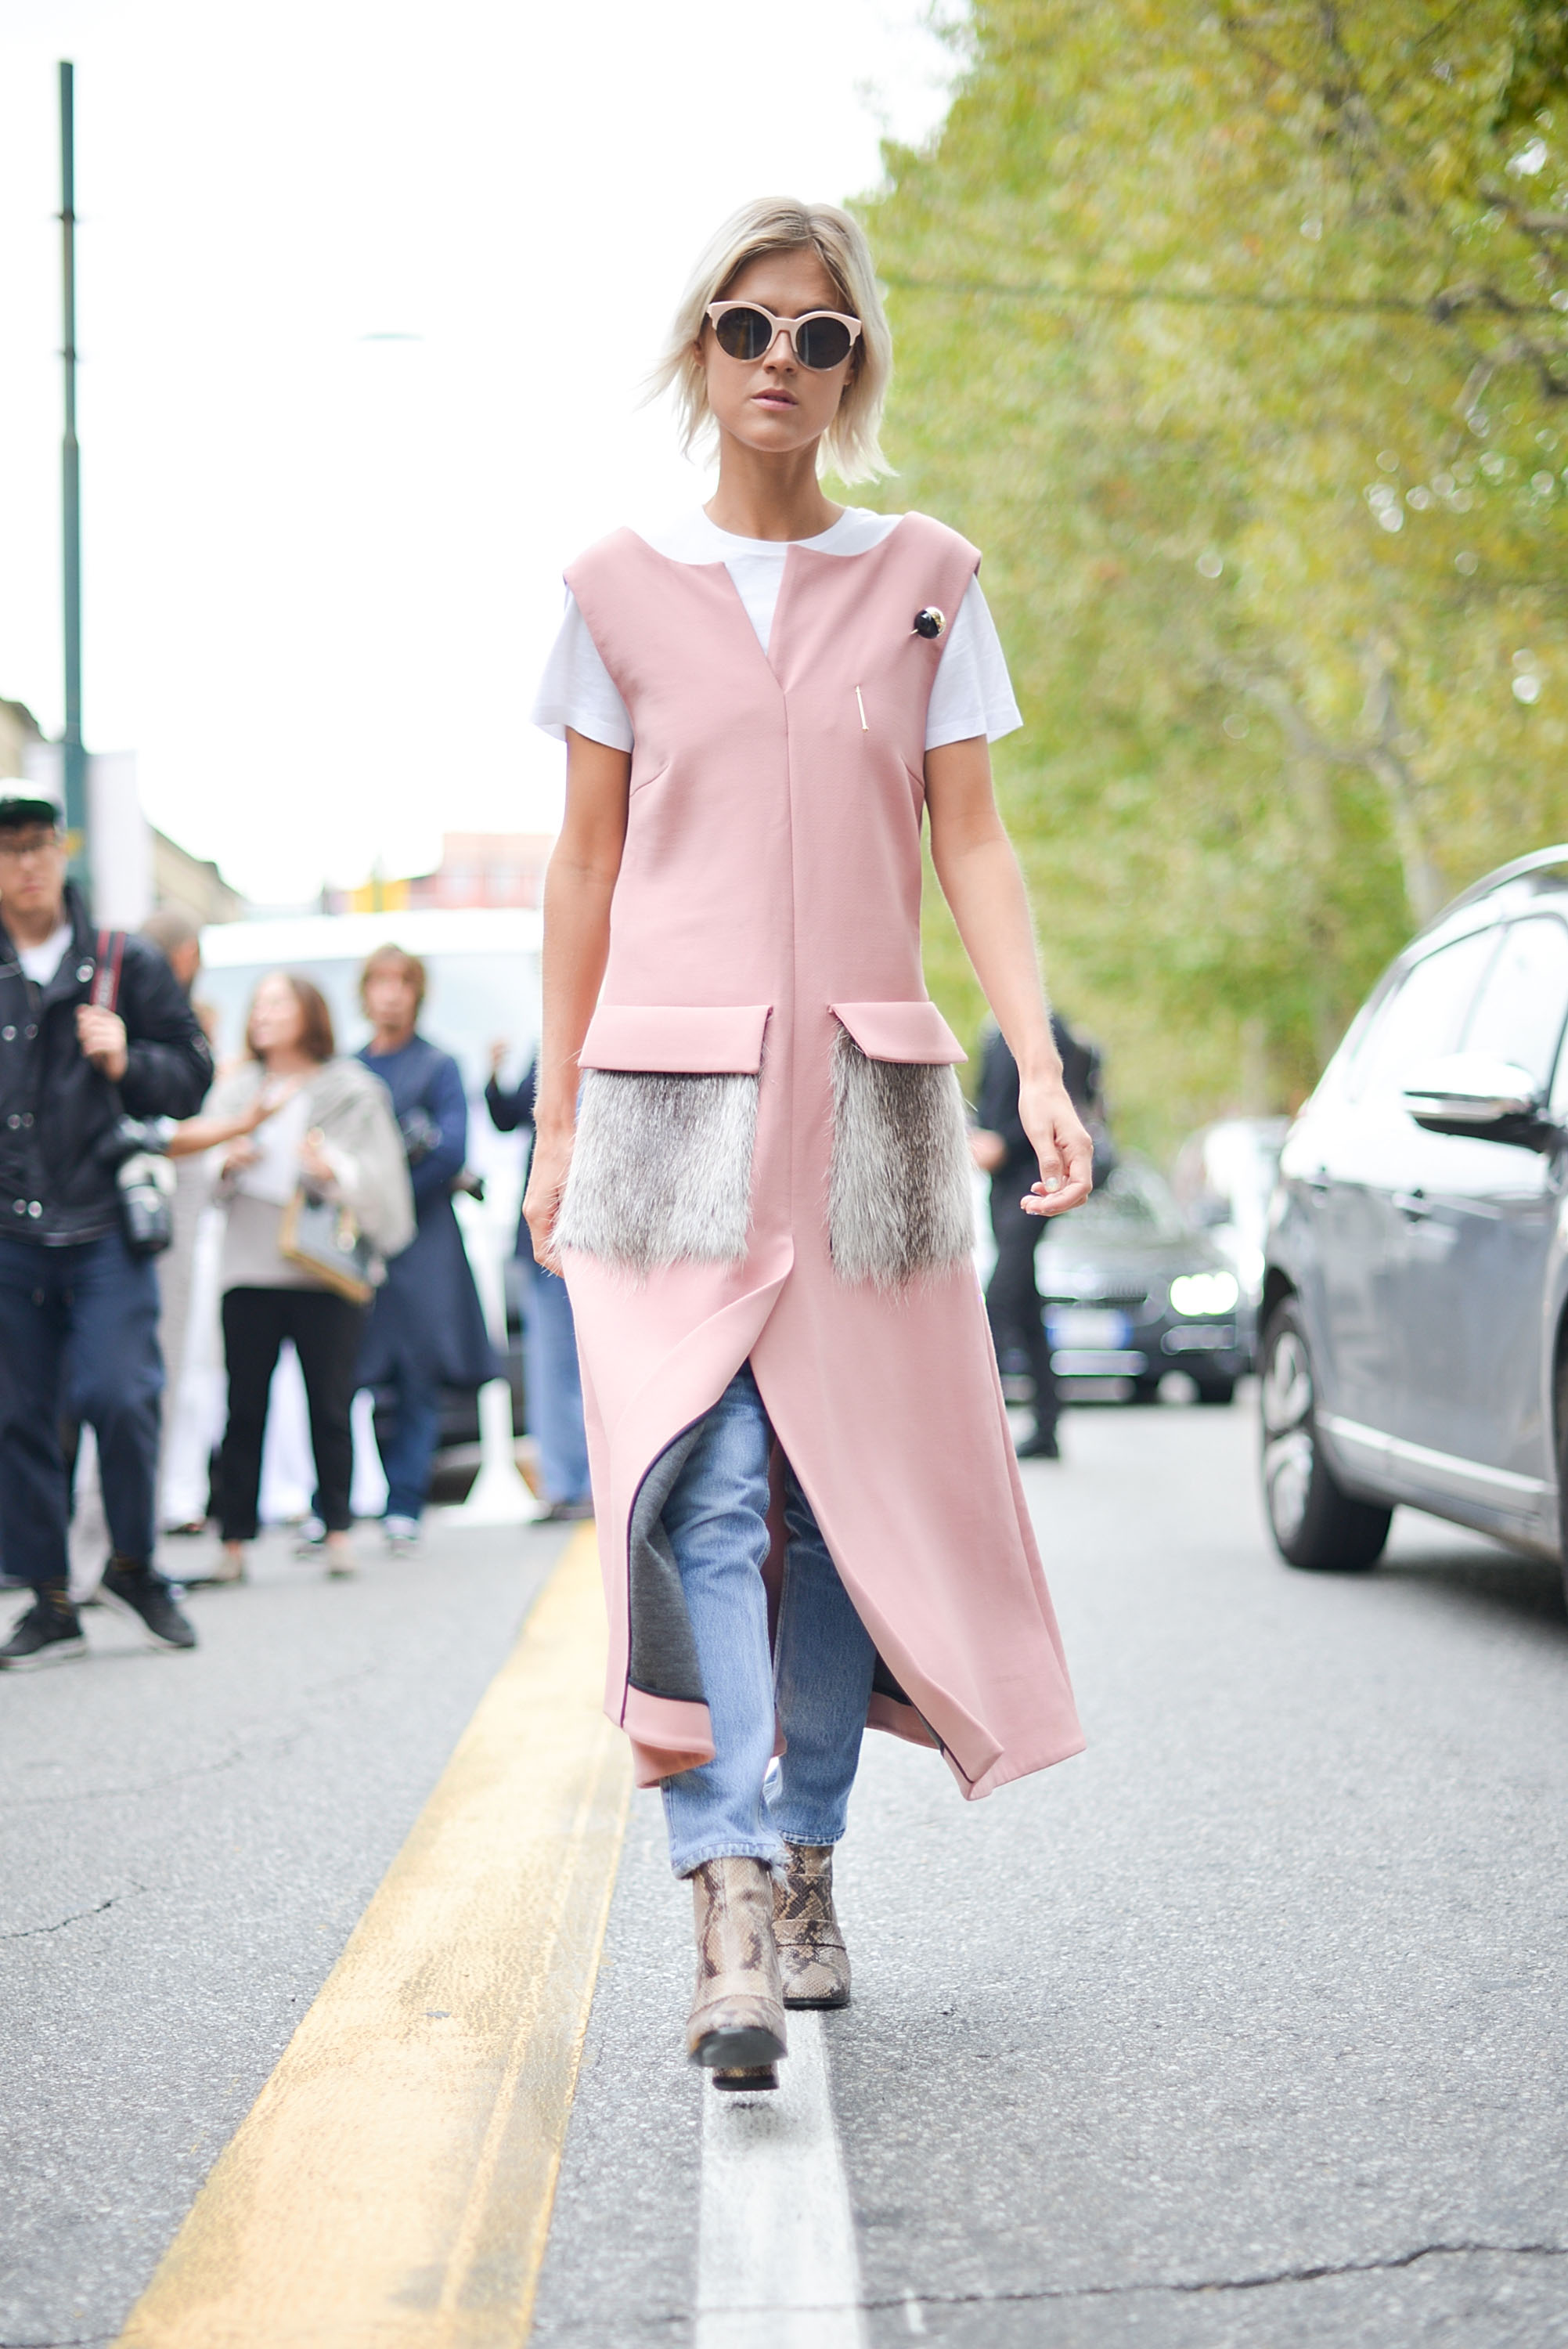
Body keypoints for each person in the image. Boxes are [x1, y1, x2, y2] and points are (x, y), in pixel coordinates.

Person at [524, 199, 1091, 2087]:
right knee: (697, 1488)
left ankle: (818, 1840)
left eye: (822, 337)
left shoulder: (928, 574)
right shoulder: (612, 587)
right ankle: (727, 1885)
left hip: (871, 1096)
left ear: (856, 372)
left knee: (839, 1509)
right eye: (752, 328)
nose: (783, 361)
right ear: (701, 347)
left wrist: (1040, 1061)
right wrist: (550, 1119)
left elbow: (974, 842)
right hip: (666, 1103)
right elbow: (587, 869)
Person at [0, 785, 212, 1668]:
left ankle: (132, 1563)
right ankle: (49, 1598)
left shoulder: (125, 961)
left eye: (41, 845)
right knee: (17, 1416)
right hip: (10, 1232)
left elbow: (192, 1076)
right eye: (11, 850)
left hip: (104, 1227)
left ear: (62, 853)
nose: (29, 864)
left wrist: (130, 1057)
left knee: (118, 1395)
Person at [171, 972, 413, 1581]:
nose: (264, 1015)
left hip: (324, 1273)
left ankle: (337, 1531)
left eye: (277, 1004)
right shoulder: (236, 1090)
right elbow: (196, 1168)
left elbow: (381, 1178)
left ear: (310, 1013)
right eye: (258, 1005)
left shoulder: (350, 1090)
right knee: (242, 1408)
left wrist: (326, 1168)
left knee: (329, 1405)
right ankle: (234, 1544)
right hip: (247, 1268)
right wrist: (229, 1157)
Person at [354, 945, 497, 1552]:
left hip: (424, 1240)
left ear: (416, 994)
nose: (389, 994)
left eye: (401, 983)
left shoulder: (439, 1066)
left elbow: (450, 1152)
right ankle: (352, 1499)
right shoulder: (350, 1070)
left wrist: (386, 1196)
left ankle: (404, 1502)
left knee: (417, 1371)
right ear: (364, 994)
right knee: (365, 1373)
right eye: (379, 983)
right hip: (361, 1244)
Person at [973, 1012, 1111, 1462]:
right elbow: (989, 1103)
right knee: (1026, 1305)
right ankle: (1047, 1426)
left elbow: (1061, 1104)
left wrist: (1004, 1145)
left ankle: (967, 1412)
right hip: (1003, 1184)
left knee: (1001, 1295)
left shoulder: (1051, 1032)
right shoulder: (994, 1034)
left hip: (1038, 1176)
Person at [485, 1044, 592, 1522]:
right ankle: (562, 1485)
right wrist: (494, 1077)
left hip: (604, 1234)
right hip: (547, 1235)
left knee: (593, 1368)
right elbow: (509, 1115)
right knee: (550, 1370)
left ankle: (595, 1484)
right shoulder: (546, 1044)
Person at [139, 907, 216, 1529]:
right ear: (187, 958)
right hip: (162, 1209)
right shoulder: (167, 1026)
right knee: (170, 1362)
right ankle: (147, 1521)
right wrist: (242, 1125)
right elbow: (170, 1131)